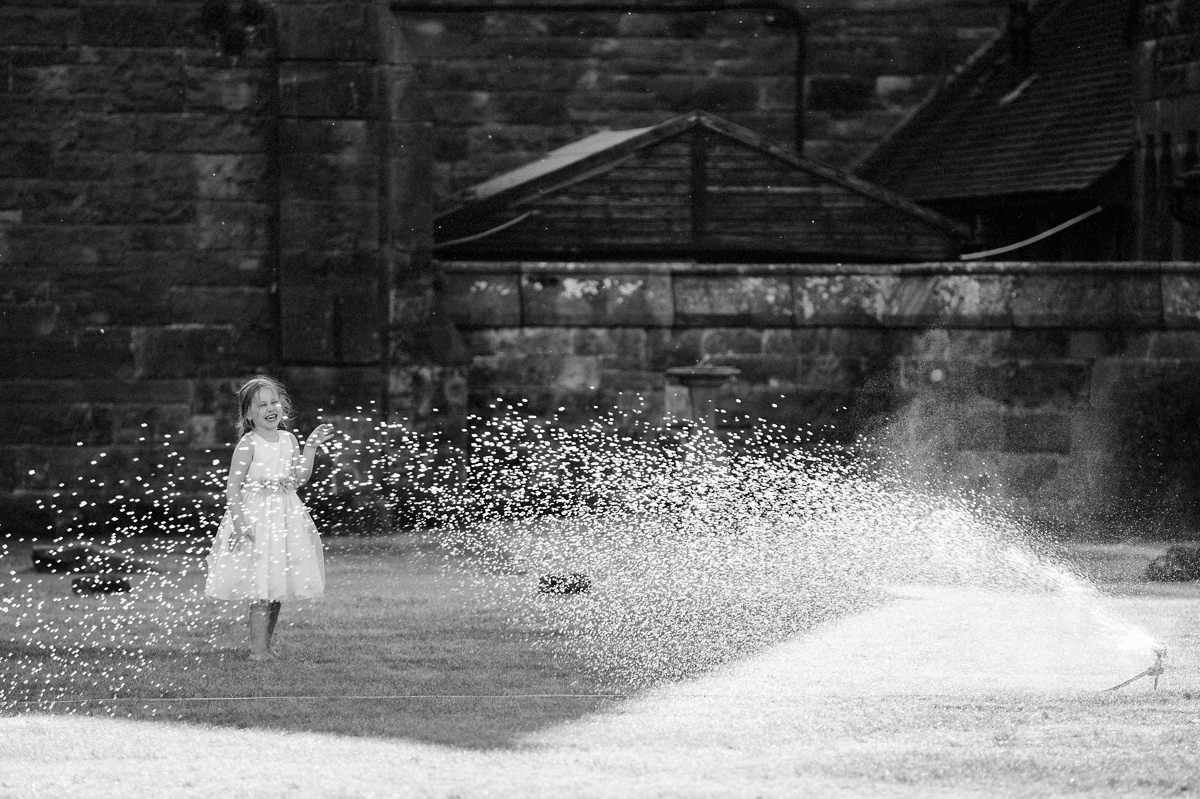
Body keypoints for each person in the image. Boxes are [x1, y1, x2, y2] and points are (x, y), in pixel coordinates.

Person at [205, 375, 335, 661]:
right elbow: (232, 487)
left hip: (284, 517)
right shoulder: (249, 445)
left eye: (274, 401)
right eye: (261, 404)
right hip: (256, 518)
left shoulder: (288, 440)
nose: (270, 408)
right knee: (261, 587)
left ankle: (265, 645)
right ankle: (257, 651)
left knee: (275, 587)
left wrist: (311, 445)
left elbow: (299, 478)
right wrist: (240, 523)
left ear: (283, 405)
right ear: (249, 414)